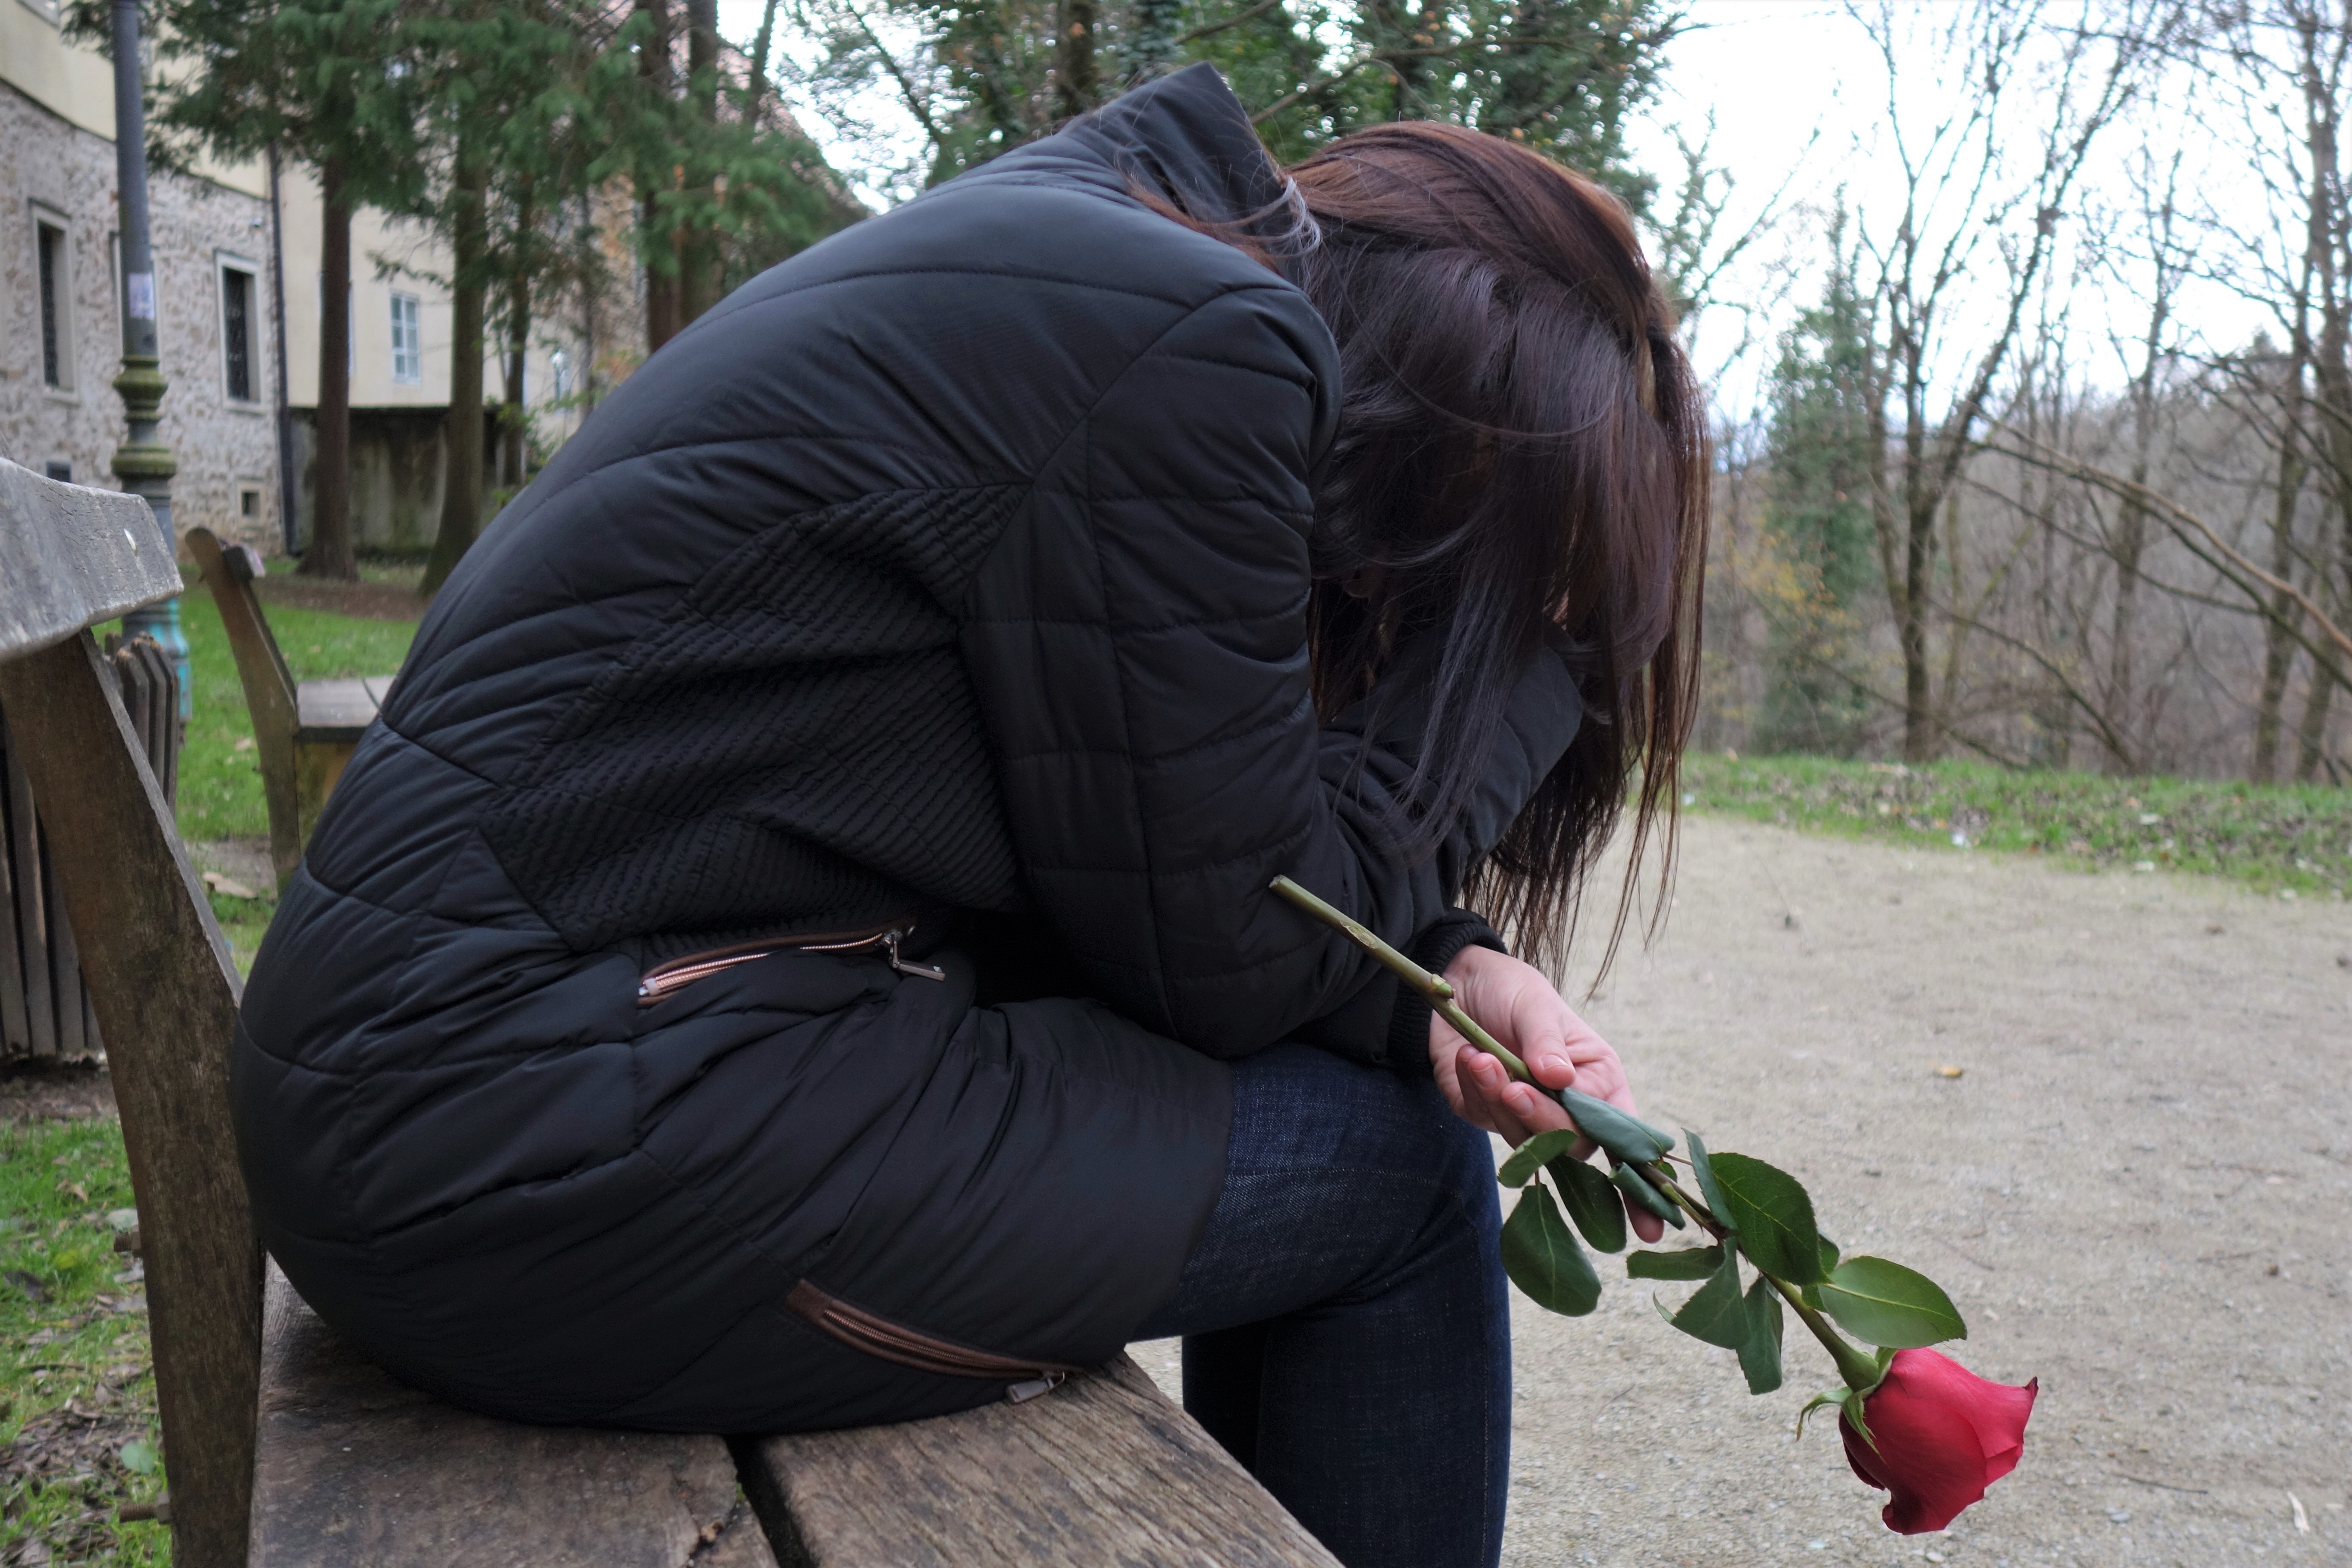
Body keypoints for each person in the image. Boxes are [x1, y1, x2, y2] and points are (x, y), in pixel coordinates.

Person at [232, 63, 1705, 1568]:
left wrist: (1441, 979)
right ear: (1450, 446)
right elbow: (1231, 969)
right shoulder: (1202, 349)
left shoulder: (1112, 263)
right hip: (524, 1147)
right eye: (1507, 575)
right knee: (1397, 1180)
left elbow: (1165, 840)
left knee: (1375, 1126)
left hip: (467, 1092)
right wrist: (1554, 654)